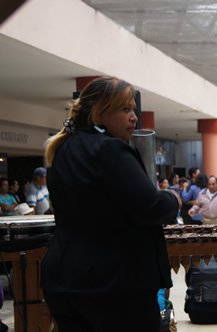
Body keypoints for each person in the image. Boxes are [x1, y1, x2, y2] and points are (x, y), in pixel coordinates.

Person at [41, 76, 179, 331]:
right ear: (100, 112)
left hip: (65, 279)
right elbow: (150, 207)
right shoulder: (109, 150)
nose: (134, 117)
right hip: (114, 284)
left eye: (133, 110)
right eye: (125, 109)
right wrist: (172, 199)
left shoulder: (62, 149)